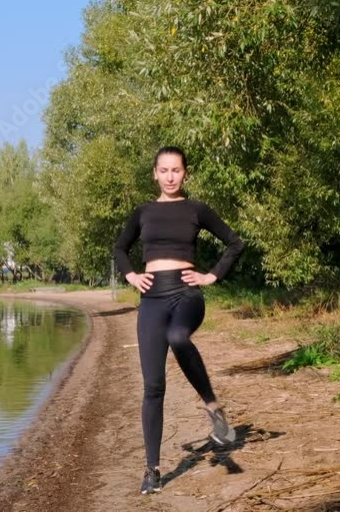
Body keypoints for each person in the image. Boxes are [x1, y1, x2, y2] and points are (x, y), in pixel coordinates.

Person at [112, 145, 245, 495]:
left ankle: (213, 407)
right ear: (155, 174)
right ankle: (153, 471)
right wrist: (131, 276)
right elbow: (119, 249)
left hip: (186, 293)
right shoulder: (143, 212)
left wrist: (211, 275)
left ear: (185, 173)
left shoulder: (196, 209)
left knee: (178, 336)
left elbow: (235, 243)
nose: (170, 176)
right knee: (153, 386)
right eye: (164, 170)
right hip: (151, 298)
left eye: (176, 170)